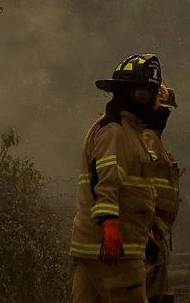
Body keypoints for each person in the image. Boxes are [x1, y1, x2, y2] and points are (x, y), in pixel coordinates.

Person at [71, 54, 167, 303]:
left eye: (152, 93)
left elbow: (134, 190)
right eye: (144, 94)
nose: (153, 101)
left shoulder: (131, 133)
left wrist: (144, 230)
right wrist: (111, 226)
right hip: (115, 249)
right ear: (127, 94)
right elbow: (107, 181)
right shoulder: (115, 131)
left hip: (96, 245)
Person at [145, 85, 183, 303]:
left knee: (163, 295)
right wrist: (148, 230)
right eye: (162, 111)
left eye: (168, 111)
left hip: (160, 236)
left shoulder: (157, 142)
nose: (165, 116)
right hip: (149, 235)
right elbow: (139, 189)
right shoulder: (147, 139)